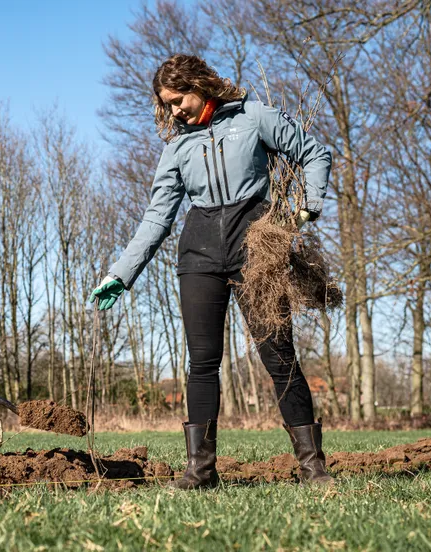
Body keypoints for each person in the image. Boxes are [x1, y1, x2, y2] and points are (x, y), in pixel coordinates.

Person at [90, 54, 333, 488]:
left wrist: (307, 208)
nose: (174, 110)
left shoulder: (254, 117)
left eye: (178, 99)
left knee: (278, 356)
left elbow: (314, 152)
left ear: (199, 85)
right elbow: (156, 218)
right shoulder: (177, 147)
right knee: (202, 362)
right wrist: (121, 273)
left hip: (256, 250)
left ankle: (313, 467)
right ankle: (200, 471)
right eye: (166, 105)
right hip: (198, 255)